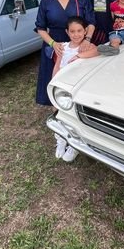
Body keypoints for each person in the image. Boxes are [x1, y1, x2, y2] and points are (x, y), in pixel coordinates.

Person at [35, 0, 96, 106]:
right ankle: (57, 110)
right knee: (55, 83)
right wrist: (52, 43)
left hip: (79, 44)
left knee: (78, 82)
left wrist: (87, 40)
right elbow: (40, 28)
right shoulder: (46, 1)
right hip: (56, 46)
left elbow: (91, 22)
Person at [51, 16, 98, 162]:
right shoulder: (63, 47)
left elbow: (96, 52)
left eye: (79, 31)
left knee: (74, 117)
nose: (76, 34)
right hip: (62, 89)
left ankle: (74, 144)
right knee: (59, 114)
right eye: (72, 31)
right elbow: (57, 66)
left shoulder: (87, 47)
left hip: (77, 88)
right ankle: (61, 139)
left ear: (85, 31)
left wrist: (78, 55)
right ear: (67, 32)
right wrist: (53, 84)